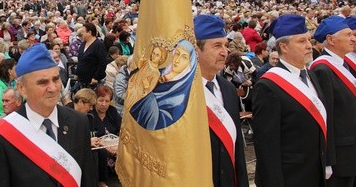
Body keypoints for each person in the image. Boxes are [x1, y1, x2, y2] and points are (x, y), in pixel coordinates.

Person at [0, 43, 96, 186]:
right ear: (22, 89)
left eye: (55, 79)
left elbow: (87, 178)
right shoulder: (0, 136)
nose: (53, 88)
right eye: (43, 82)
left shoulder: (78, 121)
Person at [253, 14, 329, 187]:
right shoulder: (268, 86)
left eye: (309, 40)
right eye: (302, 41)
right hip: (291, 177)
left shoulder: (310, 75)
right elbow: (266, 145)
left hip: (315, 173)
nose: (309, 46)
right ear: (283, 47)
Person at [194, 14, 249, 187]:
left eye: (225, 45)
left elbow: (237, 144)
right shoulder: (182, 93)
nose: (225, 52)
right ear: (196, 50)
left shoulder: (228, 88)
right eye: (217, 45)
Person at [310, 16, 356, 186]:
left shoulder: (342, 64)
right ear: (331, 39)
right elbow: (326, 115)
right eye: (347, 35)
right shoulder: (323, 69)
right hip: (340, 157)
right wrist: (328, 160)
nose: (352, 39)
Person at [129, 39, 197, 130]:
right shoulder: (158, 71)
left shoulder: (180, 96)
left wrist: (149, 97)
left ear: (190, 64)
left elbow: (163, 125)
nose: (177, 60)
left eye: (184, 57)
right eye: (177, 53)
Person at [91, 85, 121, 187]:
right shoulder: (90, 115)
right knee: (102, 152)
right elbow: (91, 136)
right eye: (101, 100)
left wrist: (119, 144)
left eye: (107, 101)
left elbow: (122, 129)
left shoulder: (112, 111)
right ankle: (101, 181)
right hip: (99, 145)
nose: (104, 104)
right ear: (95, 100)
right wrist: (107, 146)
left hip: (114, 143)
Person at [76, 22, 107, 88]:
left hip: (93, 82)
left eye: (83, 31)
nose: (82, 33)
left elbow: (102, 63)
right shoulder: (83, 43)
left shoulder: (99, 45)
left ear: (89, 32)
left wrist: (96, 78)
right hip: (82, 80)